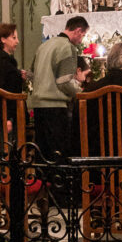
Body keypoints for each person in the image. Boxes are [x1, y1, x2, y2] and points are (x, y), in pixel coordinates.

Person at [30, 15, 89, 158]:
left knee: (42, 151)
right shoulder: (68, 47)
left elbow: (31, 74)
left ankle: (41, 179)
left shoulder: (44, 45)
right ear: (78, 30)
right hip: (55, 106)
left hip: (38, 105)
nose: (81, 40)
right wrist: (81, 93)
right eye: (83, 35)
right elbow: (64, 81)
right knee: (58, 152)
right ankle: (57, 180)